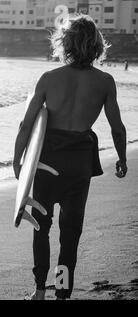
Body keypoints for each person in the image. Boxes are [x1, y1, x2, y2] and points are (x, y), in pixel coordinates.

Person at [13, 15, 127, 300]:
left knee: (41, 226)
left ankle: (39, 290)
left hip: (46, 162)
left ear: (65, 43)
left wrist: (17, 160)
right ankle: (62, 292)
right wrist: (122, 159)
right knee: (70, 233)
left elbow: (26, 125)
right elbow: (117, 127)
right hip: (79, 164)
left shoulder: (50, 78)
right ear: (97, 45)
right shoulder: (105, 81)